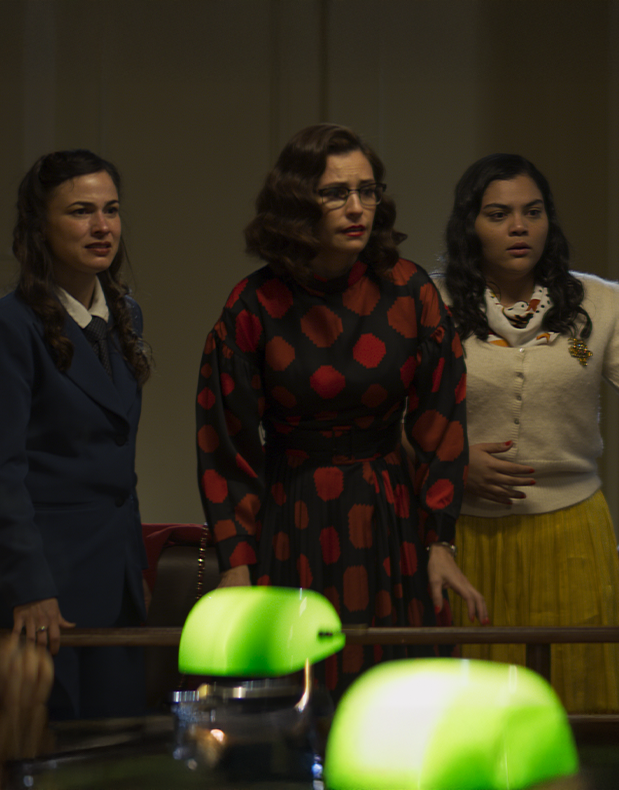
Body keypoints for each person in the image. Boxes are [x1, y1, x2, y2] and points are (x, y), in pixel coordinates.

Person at [195, 124, 485, 697]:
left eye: (367, 191)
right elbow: (225, 443)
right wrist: (235, 561)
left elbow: (442, 425)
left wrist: (440, 540)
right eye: (336, 194)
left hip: (387, 515)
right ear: (298, 204)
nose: (357, 209)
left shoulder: (410, 291)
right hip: (291, 513)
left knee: (391, 698)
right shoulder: (254, 304)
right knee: (295, 696)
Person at [436, 153, 619, 713]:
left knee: (574, 698)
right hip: (464, 535)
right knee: (478, 709)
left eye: (532, 212)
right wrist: (451, 460)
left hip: (571, 534)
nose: (519, 227)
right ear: (470, 225)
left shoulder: (598, 305)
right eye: (499, 215)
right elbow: (384, 415)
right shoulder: (431, 303)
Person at [0, 150, 151, 720]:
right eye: (80, 211)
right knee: (47, 749)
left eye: (111, 210)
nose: (102, 226)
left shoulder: (125, 315)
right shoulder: (5, 328)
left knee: (117, 747)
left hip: (116, 578)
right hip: (45, 584)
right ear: (39, 226)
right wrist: (29, 586)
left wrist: (133, 569)